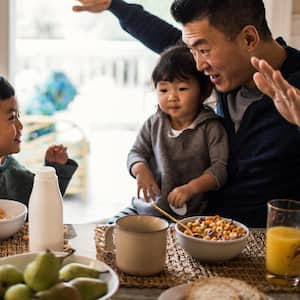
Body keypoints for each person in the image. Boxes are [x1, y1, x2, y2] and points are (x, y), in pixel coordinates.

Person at [73, 0, 300, 227]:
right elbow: (163, 39)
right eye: (193, 51)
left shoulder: (295, 90)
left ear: (249, 39)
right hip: (197, 226)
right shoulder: (225, 71)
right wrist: (114, 5)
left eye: (204, 51)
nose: (199, 65)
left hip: (262, 240)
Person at [109, 45, 228, 222]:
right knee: (113, 227)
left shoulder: (211, 127)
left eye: (182, 89)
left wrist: (191, 188)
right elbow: (136, 153)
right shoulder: (154, 123)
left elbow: (220, 169)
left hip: (191, 217)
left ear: (204, 91)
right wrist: (141, 170)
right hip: (146, 209)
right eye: (164, 90)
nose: (172, 97)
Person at [0, 76, 78, 206]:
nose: (20, 125)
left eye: (18, 116)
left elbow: (45, 204)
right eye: (12, 117)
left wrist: (55, 170)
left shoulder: (16, 174)